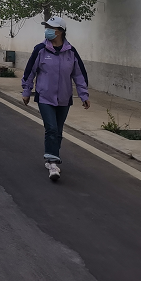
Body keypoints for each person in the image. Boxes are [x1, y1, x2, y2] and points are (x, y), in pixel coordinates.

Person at [21, 16, 90, 181]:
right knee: (51, 128)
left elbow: (79, 75)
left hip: (64, 98)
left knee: (58, 131)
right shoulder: (40, 49)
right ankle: (52, 163)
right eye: (47, 27)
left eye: (51, 28)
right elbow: (30, 71)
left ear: (60, 31)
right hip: (45, 96)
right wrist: (26, 90)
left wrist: (84, 95)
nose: (48, 31)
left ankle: (51, 157)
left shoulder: (71, 52)